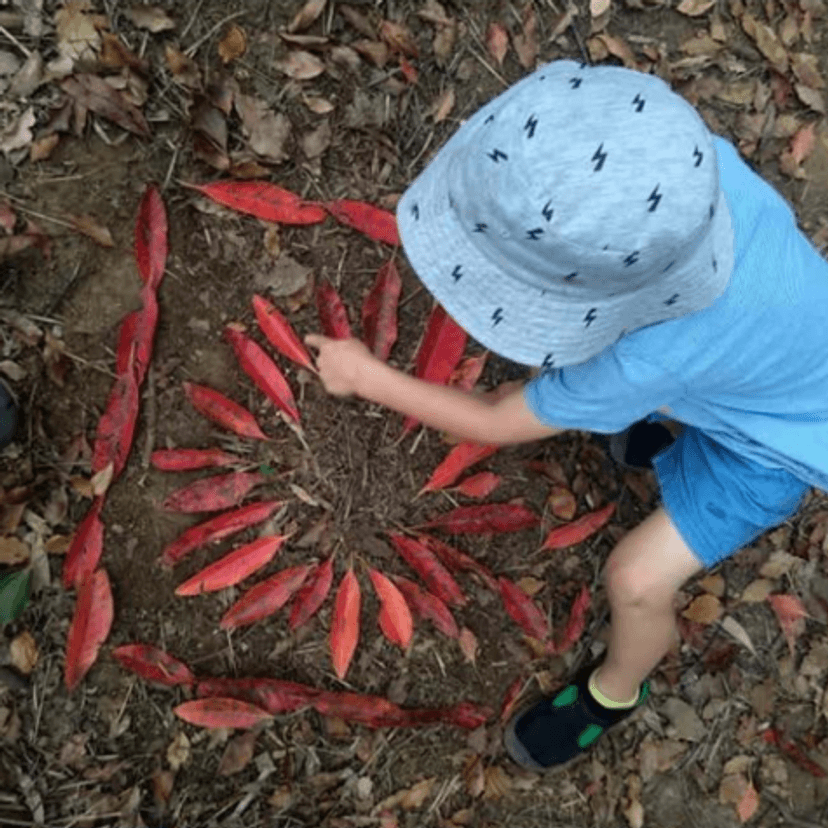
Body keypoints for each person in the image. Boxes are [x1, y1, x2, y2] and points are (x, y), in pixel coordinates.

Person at [305, 59, 828, 772]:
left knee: (636, 580)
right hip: (761, 363)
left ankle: (613, 691)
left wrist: (366, 377)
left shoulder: (642, 360)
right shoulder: (692, 175)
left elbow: (493, 421)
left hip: (770, 449)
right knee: (679, 389)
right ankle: (659, 434)